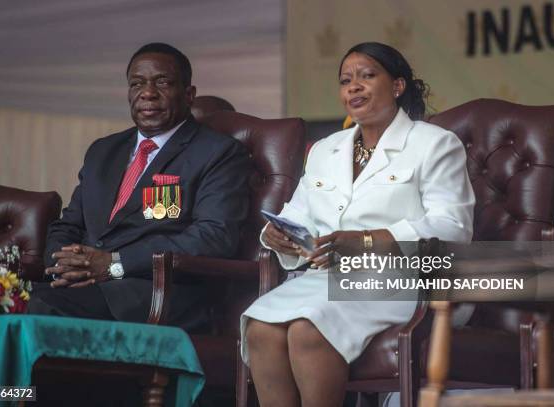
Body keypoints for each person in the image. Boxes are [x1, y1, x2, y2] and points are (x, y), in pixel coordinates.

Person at [240, 42, 475, 407]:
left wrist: (367, 241)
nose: (354, 87)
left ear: (397, 86)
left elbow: (452, 227)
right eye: (346, 80)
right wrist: (279, 235)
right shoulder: (324, 150)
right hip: (324, 280)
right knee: (259, 328)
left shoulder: (434, 144)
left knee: (307, 328)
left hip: (399, 279)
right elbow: (298, 215)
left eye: (367, 76)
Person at [27, 43, 251, 327]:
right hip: (85, 285)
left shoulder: (216, 152)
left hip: (154, 291)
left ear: (189, 94)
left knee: (43, 307)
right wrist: (65, 264)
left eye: (163, 82)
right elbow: (69, 224)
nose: (147, 93)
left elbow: (213, 237)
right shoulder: (104, 151)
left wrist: (113, 265)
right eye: (137, 84)